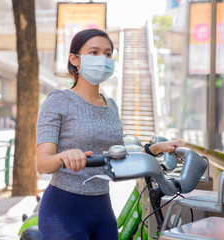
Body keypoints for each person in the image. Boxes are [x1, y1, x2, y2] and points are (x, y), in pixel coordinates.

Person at [36, 28, 180, 240]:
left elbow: (117, 156)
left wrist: (154, 149)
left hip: (102, 207)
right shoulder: (58, 100)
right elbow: (43, 162)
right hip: (63, 208)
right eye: (94, 53)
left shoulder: (111, 106)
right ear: (74, 59)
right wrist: (62, 157)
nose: (102, 59)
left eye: (108, 54)